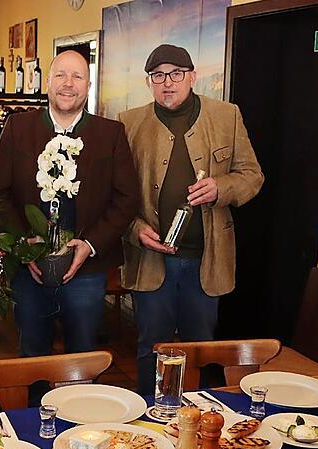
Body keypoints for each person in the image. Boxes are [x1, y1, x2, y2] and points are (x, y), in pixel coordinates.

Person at [118, 44, 264, 395]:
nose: (168, 83)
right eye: (158, 76)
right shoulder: (128, 122)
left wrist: (221, 188)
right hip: (151, 260)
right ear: (149, 82)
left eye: (176, 74)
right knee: (151, 346)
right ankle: (147, 421)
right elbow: (117, 194)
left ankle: (197, 426)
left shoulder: (226, 116)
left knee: (200, 347)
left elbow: (252, 175)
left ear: (193, 76)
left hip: (206, 259)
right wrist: (136, 227)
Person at [0, 50, 138, 360]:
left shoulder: (110, 134)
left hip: (87, 271)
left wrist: (90, 243)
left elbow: (126, 199)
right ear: (47, 82)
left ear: (88, 86)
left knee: (80, 360)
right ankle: (35, 410)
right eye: (60, 75)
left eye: (77, 77)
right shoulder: (18, 128)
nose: (68, 84)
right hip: (28, 270)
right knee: (32, 357)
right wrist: (23, 244)